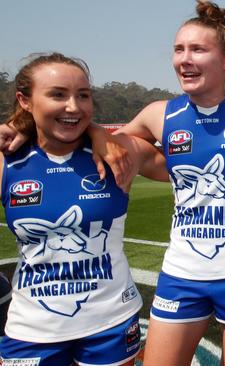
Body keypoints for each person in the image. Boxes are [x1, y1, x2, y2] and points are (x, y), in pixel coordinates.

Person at [94, 2, 225, 365]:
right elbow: (110, 147)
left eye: (198, 49)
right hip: (182, 271)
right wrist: (93, 131)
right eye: (179, 49)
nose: (184, 59)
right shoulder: (159, 114)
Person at [0, 53, 166, 366]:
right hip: (32, 328)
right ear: (24, 100)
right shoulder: (8, 160)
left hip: (111, 322)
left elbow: (197, 162)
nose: (74, 107)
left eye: (83, 95)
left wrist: (99, 132)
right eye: (57, 94)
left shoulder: (121, 151)